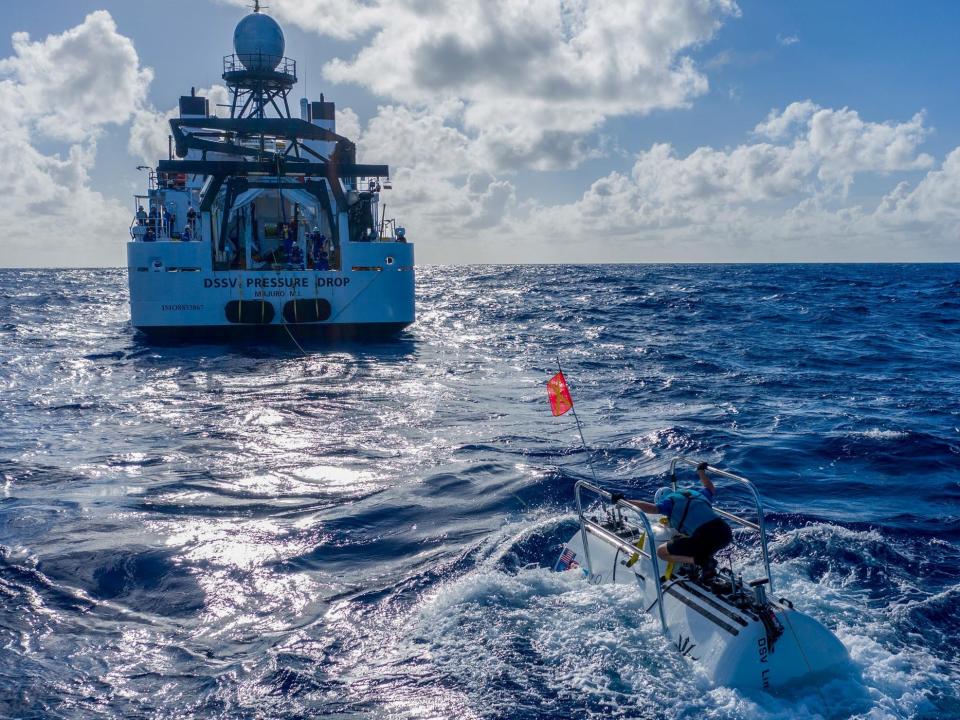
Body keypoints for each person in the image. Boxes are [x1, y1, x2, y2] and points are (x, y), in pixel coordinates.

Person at [626, 463, 732, 578]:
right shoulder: (695, 494)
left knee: (661, 552)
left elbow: (652, 508)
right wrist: (701, 472)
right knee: (703, 544)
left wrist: (625, 501)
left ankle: (701, 562)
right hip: (725, 532)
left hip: (704, 537)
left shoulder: (669, 502)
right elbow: (710, 488)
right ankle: (708, 569)